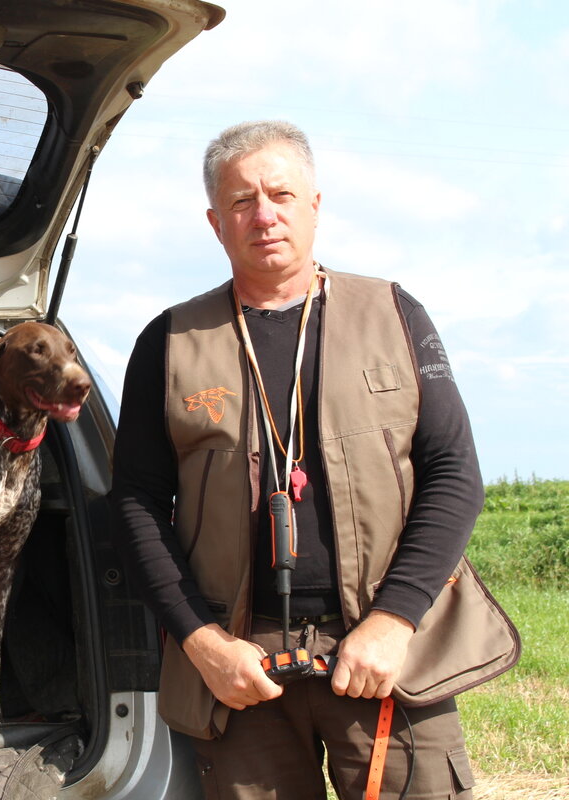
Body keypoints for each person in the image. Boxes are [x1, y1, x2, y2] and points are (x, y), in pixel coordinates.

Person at [108, 120, 518, 799]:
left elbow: (453, 472)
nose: (263, 215)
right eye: (242, 201)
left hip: (384, 658)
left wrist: (393, 621)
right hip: (241, 672)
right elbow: (136, 503)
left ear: (316, 206)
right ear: (216, 222)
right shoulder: (171, 341)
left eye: (281, 194)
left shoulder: (392, 311)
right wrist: (203, 646)